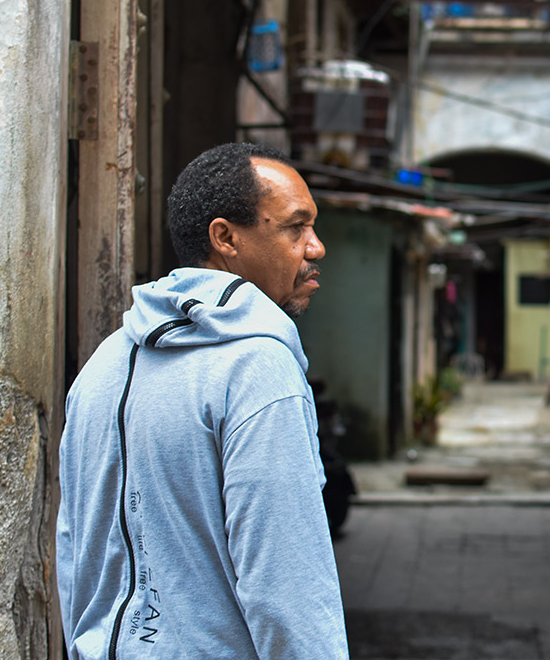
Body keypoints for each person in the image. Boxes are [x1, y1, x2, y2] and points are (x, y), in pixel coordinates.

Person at [56, 142, 348, 659]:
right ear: (225, 238)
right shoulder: (259, 370)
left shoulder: (102, 365)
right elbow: (286, 584)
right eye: (295, 227)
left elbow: (74, 553)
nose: (316, 246)